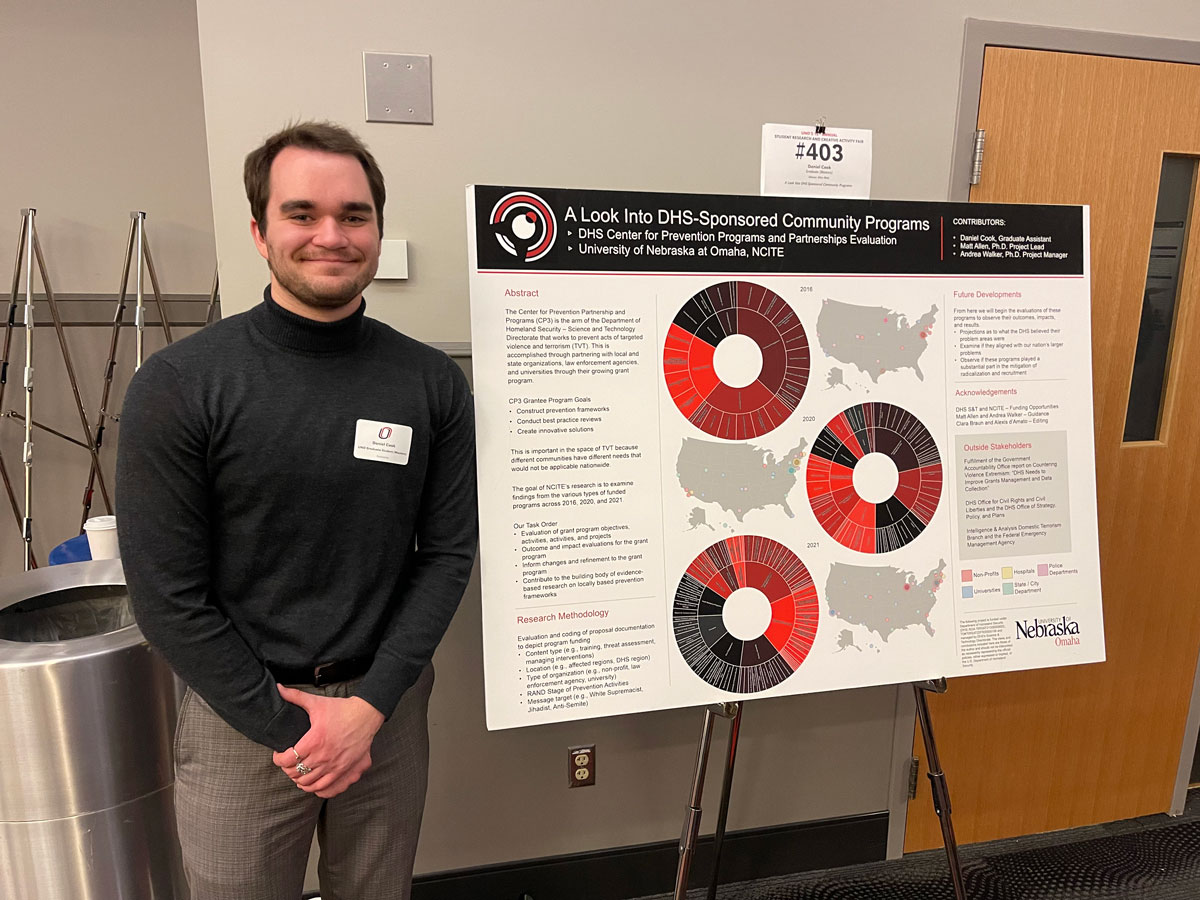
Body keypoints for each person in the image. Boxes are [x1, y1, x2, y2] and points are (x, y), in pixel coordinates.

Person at [116, 121, 478, 900]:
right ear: (260, 232)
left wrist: (369, 708)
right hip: (242, 716)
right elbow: (166, 595)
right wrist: (291, 728)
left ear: (377, 229)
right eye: (302, 213)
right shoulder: (180, 386)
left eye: (354, 215)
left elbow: (447, 555)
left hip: (385, 712)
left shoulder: (430, 383)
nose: (331, 236)